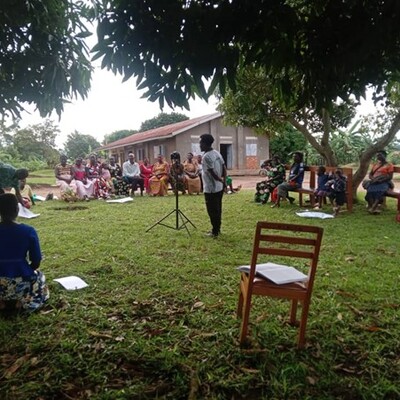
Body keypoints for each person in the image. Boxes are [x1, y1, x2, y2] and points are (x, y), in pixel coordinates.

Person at [0, 193, 49, 312]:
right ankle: (21, 303)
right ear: (17, 209)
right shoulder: (28, 231)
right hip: (21, 279)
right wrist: (26, 269)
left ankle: (2, 302)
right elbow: (36, 261)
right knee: (40, 278)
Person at [200, 133, 226, 238]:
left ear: (206, 144)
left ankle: (215, 231)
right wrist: (224, 181)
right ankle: (217, 229)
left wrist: (221, 180)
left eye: (201, 143)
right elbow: (224, 167)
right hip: (219, 188)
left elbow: (212, 173)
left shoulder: (206, 157)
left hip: (211, 189)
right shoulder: (216, 153)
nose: (200, 145)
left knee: (212, 210)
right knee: (218, 209)